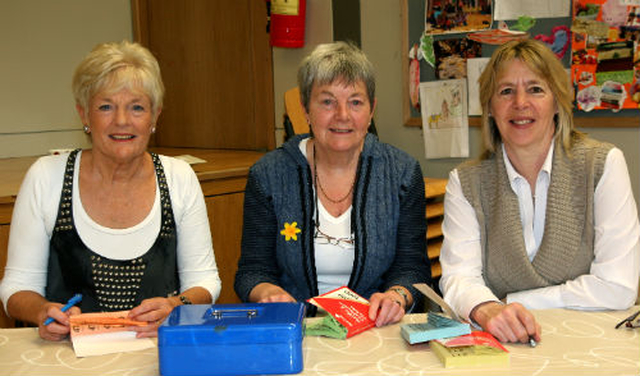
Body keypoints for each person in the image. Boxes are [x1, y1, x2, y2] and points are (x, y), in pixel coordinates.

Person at [0, 41, 221, 341]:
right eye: (106, 106)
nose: (121, 121)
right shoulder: (45, 177)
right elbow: (16, 289)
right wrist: (42, 311)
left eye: (137, 107)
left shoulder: (179, 178)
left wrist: (175, 306)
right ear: (83, 114)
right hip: (67, 358)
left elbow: (205, 281)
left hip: (155, 355)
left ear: (154, 116)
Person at [439, 38, 640, 344]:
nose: (520, 103)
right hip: (504, 345)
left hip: (590, 344)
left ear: (557, 101)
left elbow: (618, 286)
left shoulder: (602, 165)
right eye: (506, 91)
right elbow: (458, 278)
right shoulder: (465, 183)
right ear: (490, 108)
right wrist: (486, 309)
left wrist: (509, 303)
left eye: (535, 89)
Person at [234, 41, 431, 327]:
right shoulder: (268, 175)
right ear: (305, 109)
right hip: (296, 328)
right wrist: (268, 292)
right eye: (327, 101)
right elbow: (252, 271)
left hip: (375, 328)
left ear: (371, 109)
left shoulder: (402, 173)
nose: (342, 115)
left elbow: (412, 267)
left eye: (355, 102)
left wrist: (396, 295)